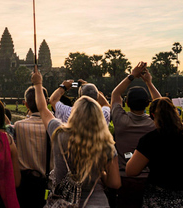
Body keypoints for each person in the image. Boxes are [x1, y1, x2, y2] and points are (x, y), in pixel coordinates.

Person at [32, 68, 120, 207]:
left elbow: (43, 108)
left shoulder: (59, 133)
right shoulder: (106, 143)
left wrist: (38, 84)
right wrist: (100, 174)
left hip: (63, 201)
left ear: (74, 113)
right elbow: (114, 183)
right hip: (96, 202)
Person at [110, 62, 160, 208]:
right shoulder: (153, 123)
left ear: (126, 103)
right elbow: (160, 103)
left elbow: (115, 94)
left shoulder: (121, 120)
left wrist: (132, 75)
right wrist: (149, 83)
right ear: (147, 104)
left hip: (123, 178)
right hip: (149, 178)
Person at [14, 86, 52, 208]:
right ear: (46, 102)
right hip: (48, 184)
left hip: (25, 185)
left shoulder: (18, 126)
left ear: (26, 105)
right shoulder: (55, 127)